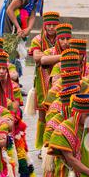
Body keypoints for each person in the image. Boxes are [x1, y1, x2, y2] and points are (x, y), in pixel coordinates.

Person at [28, 11, 61, 152]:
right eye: (49, 25)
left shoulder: (63, 39)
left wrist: (47, 56)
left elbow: (42, 57)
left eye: (54, 24)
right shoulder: (37, 39)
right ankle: (41, 144)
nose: (52, 27)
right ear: (44, 25)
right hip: (42, 79)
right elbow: (37, 58)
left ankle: (55, 142)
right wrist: (60, 56)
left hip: (59, 79)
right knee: (43, 112)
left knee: (57, 111)